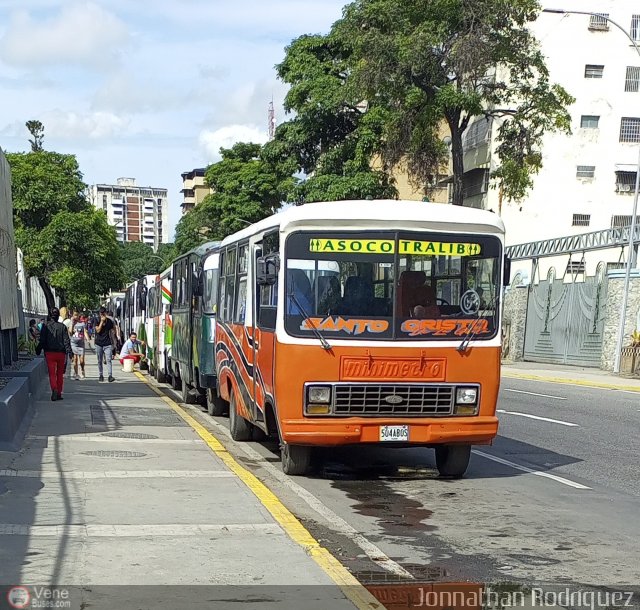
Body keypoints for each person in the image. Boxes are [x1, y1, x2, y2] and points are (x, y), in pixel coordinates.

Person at [36, 308, 72, 401]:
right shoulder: (62, 327)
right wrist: (70, 352)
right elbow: (66, 341)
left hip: (49, 353)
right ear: (58, 315)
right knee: (59, 374)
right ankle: (59, 393)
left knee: (52, 374)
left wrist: (39, 349)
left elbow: (42, 340)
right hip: (61, 353)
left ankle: (54, 389)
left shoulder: (45, 326)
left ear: (50, 315)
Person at [94, 307, 115, 382]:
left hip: (107, 343)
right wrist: (101, 322)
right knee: (99, 360)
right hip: (99, 343)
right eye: (101, 313)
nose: (102, 314)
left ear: (106, 313)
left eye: (103, 313)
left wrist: (114, 343)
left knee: (108, 359)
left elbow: (113, 330)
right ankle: (101, 375)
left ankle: (110, 375)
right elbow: (98, 330)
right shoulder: (96, 320)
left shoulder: (109, 321)